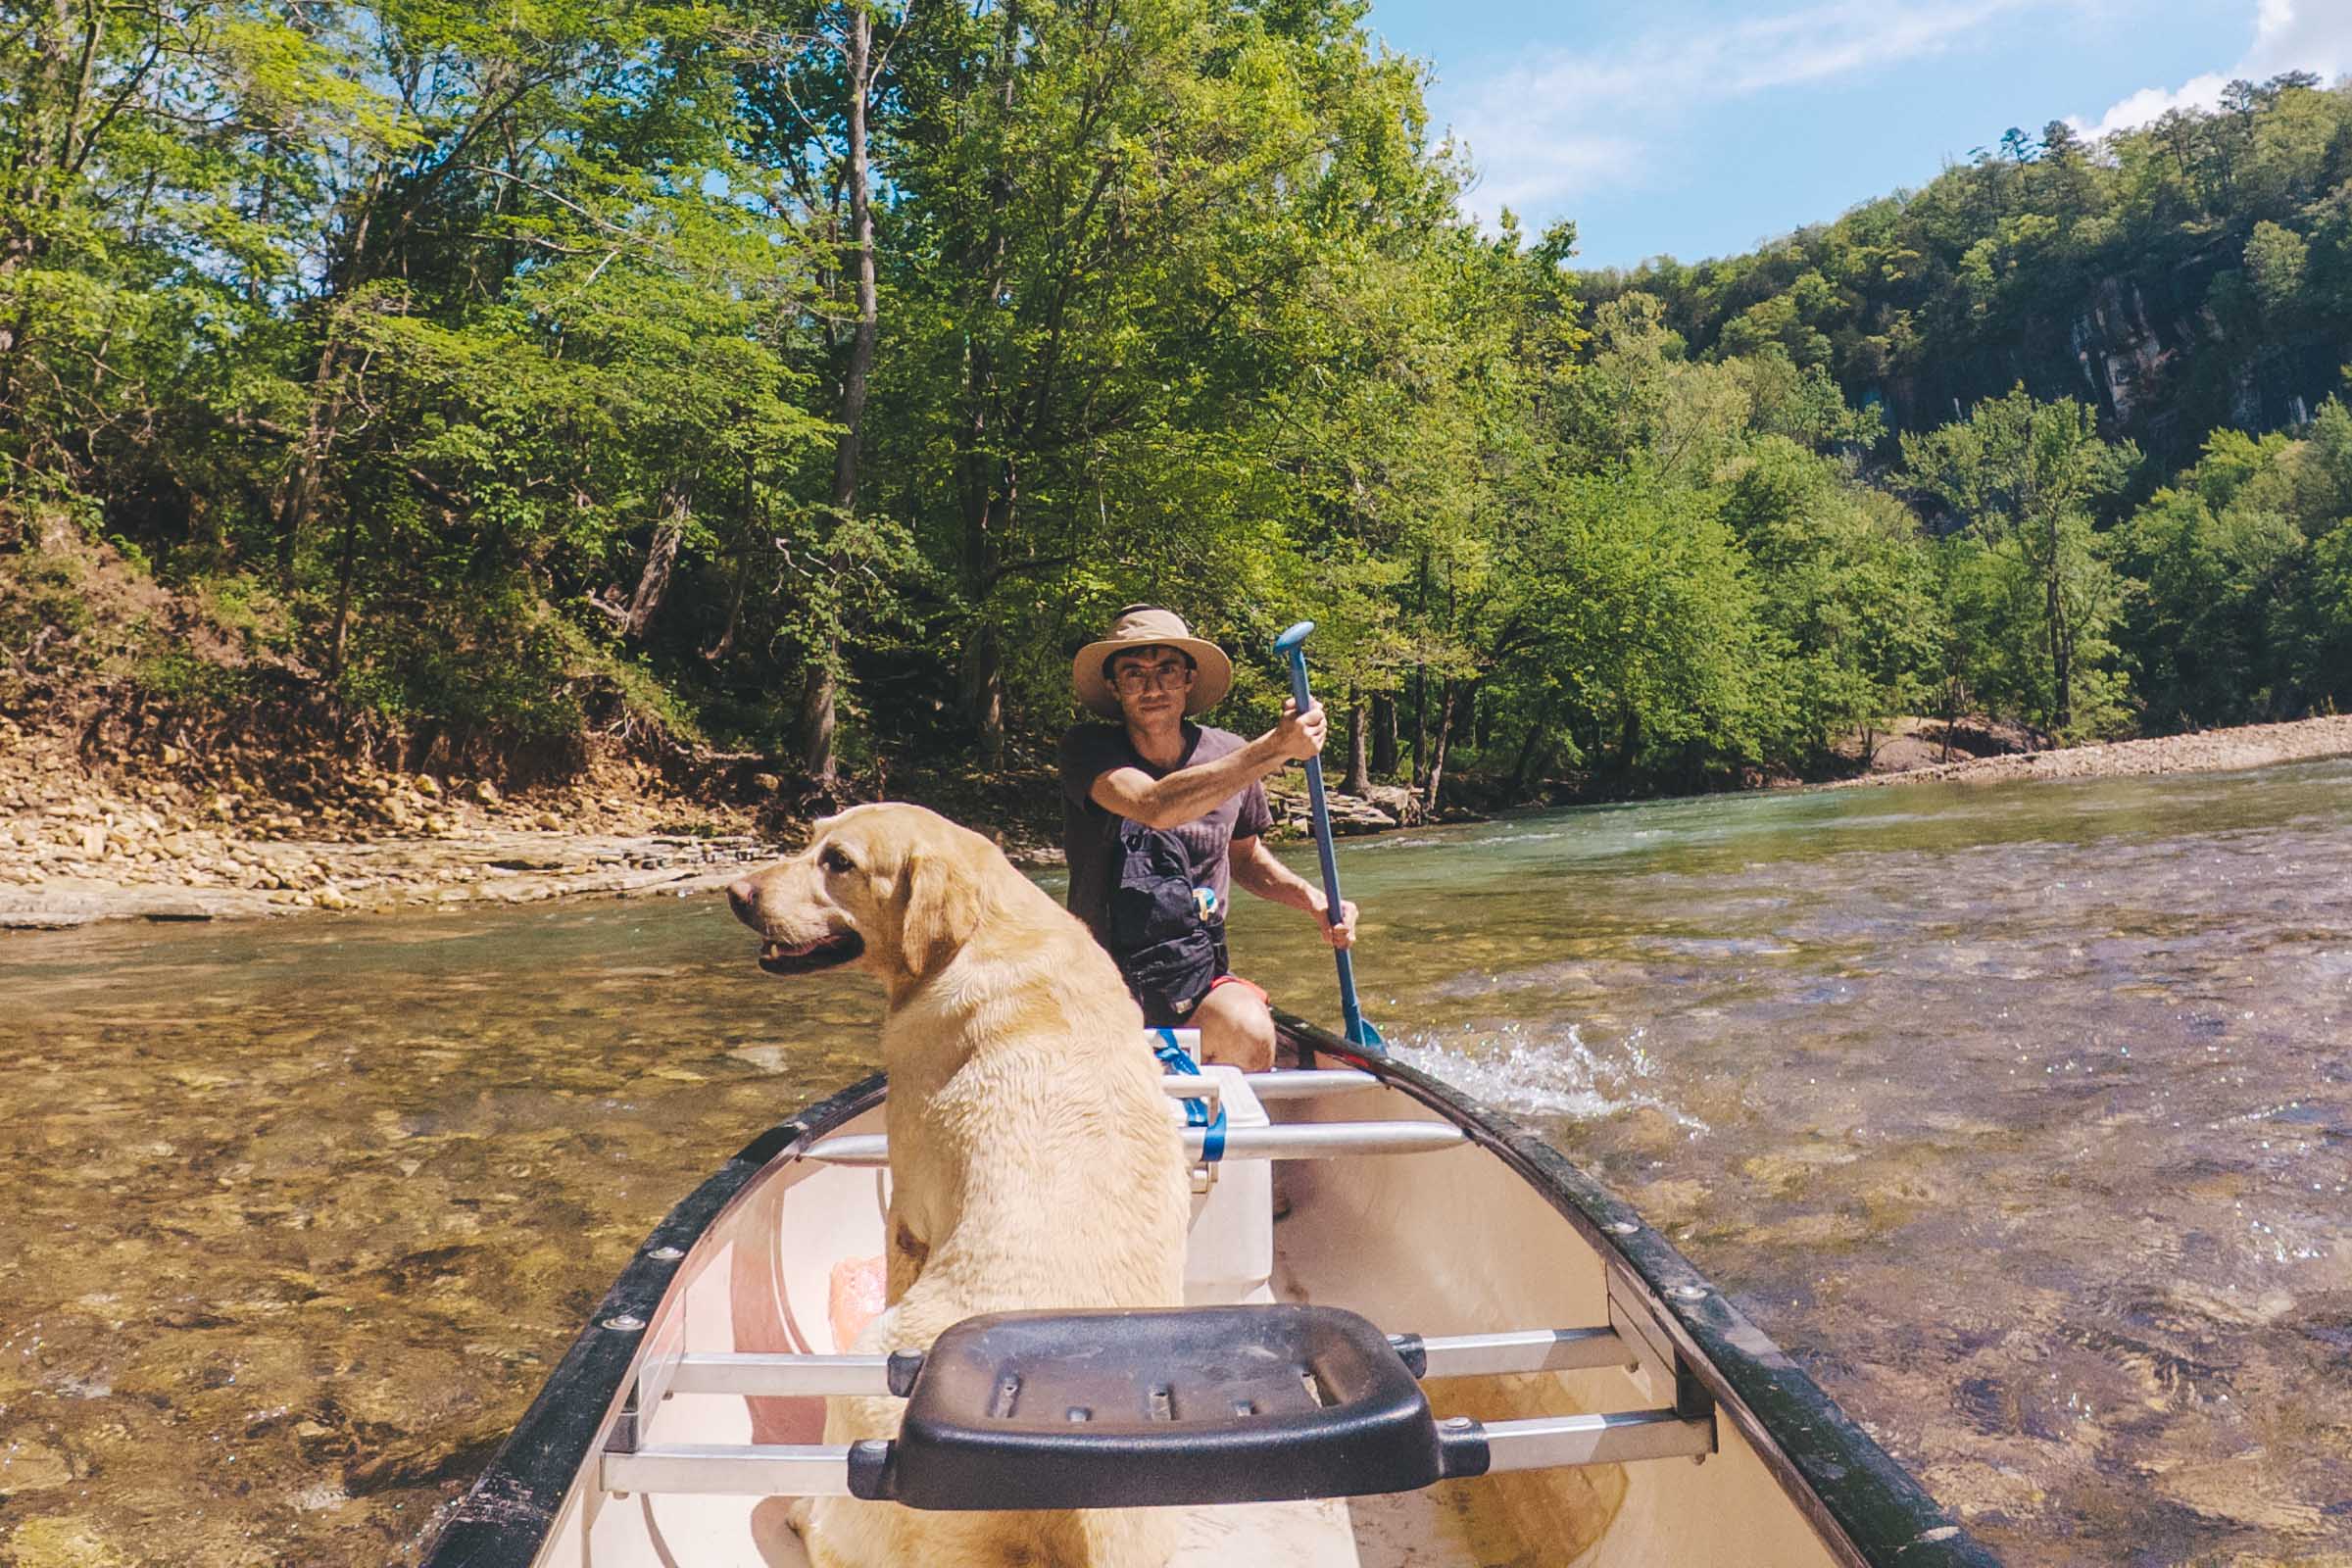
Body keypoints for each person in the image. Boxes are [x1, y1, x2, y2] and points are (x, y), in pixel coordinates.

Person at [1059, 605, 1358, 1071]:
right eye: (1134, 673)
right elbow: (1153, 807)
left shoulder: (1229, 753)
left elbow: (1245, 860)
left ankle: (1227, 1135)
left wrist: (1314, 901)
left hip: (1197, 981)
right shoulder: (1087, 750)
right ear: (1115, 687)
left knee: (1250, 1026)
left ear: (1188, 680)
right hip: (1097, 987)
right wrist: (1276, 748)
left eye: (1167, 670)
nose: (1153, 687)